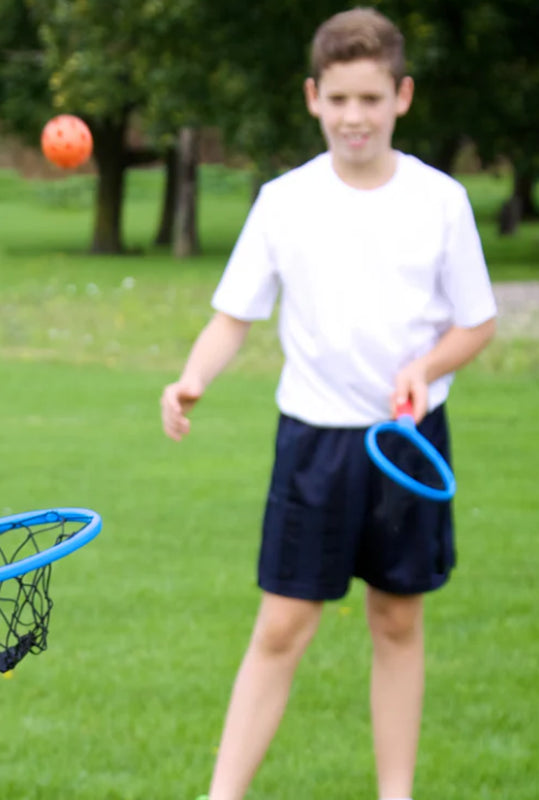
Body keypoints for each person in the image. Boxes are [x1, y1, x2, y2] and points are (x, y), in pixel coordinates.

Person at [160, 8, 497, 800]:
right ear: (313, 97)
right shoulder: (284, 201)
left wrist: (427, 364)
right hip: (312, 440)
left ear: (401, 98)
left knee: (397, 621)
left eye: (370, 99)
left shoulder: (440, 200)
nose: (354, 117)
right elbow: (231, 317)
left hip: (409, 440)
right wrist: (191, 377)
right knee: (280, 626)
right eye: (339, 99)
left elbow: (475, 322)